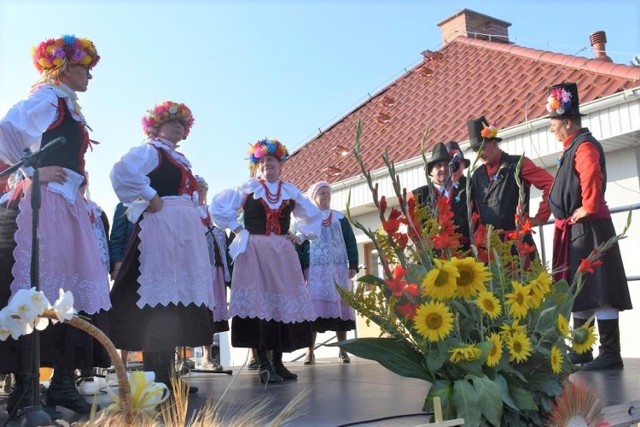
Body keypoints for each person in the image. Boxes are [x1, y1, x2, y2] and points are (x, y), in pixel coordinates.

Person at [0, 34, 110, 416]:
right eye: (86, 68)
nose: (90, 77)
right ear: (64, 67)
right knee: (36, 287)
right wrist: (32, 170)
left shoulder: (65, 103)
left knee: (69, 291)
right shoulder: (47, 98)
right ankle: (26, 388)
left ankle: (62, 383)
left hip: (66, 204)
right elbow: (6, 130)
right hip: (42, 205)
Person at [108, 101, 215, 393]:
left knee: (175, 300)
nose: (177, 126)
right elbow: (121, 171)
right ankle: (156, 376)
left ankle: (168, 373)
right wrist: (150, 195)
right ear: (155, 126)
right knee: (158, 300)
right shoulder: (150, 151)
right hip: (161, 229)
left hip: (181, 233)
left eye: (181, 122)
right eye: (170, 121)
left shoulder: (178, 157)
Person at [211, 138, 322, 383]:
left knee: (281, 305)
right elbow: (219, 209)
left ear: (280, 164)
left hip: (282, 252)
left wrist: (301, 235)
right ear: (256, 167)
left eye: (271, 160)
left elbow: (313, 217)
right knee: (259, 304)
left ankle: (278, 363)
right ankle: (263, 363)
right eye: (261, 162)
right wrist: (237, 229)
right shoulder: (248, 188)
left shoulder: (291, 191)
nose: (266, 165)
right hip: (254, 252)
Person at [546, 82, 632, 370]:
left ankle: (610, 353)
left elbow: (591, 173)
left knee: (600, 288)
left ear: (567, 123)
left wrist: (590, 205)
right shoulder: (573, 145)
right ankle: (582, 349)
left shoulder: (584, 146)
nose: (551, 130)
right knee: (581, 290)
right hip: (578, 229)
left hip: (591, 226)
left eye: (553, 123)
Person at [468, 116, 554, 255]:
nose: (479, 154)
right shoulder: (476, 175)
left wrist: (540, 217)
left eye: (482, 148)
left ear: (495, 143)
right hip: (491, 249)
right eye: (476, 150)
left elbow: (550, 184)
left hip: (519, 243)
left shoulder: (518, 164)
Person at [299, 181, 358, 365]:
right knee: (313, 311)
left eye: (327, 192)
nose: (325, 195)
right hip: (314, 271)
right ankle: (310, 352)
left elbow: (350, 240)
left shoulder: (340, 218)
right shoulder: (306, 220)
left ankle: (343, 350)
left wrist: (354, 263)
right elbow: (299, 246)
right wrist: (299, 269)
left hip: (337, 270)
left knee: (341, 308)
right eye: (321, 193)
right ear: (313, 197)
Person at [195, 175, 231, 372]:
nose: (201, 191)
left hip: (217, 268)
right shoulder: (190, 213)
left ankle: (208, 356)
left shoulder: (214, 214)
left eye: (204, 187)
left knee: (214, 313)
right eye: (198, 187)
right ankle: (200, 358)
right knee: (201, 312)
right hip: (199, 270)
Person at [413, 142, 470, 243]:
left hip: (464, 251)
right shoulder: (419, 196)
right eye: (438, 166)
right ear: (431, 171)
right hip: (435, 253)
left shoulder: (465, 190)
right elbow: (413, 229)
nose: (443, 169)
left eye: (446, 165)